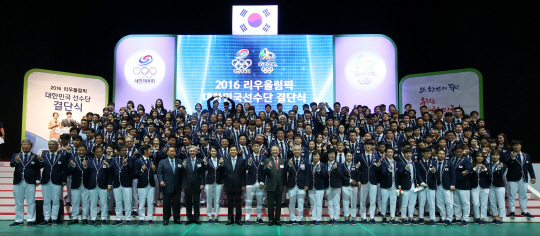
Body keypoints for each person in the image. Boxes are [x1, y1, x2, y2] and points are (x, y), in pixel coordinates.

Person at [9, 139, 42, 227]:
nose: (26, 146)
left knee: (31, 201)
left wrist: (38, 179)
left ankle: (30, 219)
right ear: (21, 146)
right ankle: (19, 219)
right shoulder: (16, 155)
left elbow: (37, 169)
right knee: (18, 202)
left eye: (28, 144)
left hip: (30, 181)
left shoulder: (35, 156)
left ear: (31, 146)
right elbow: (12, 164)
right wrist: (16, 161)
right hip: (18, 181)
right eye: (24, 144)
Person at [39, 138, 68, 226]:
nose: (51, 146)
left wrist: (64, 180)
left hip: (57, 180)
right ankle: (46, 218)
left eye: (53, 144)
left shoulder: (62, 156)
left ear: (57, 145)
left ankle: (54, 218)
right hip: (45, 180)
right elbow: (40, 166)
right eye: (49, 144)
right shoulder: (44, 155)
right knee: (46, 201)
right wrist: (40, 161)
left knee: (56, 200)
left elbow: (65, 169)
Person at [505, 140, 536, 218]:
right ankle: (512, 211)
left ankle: (524, 211)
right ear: (512, 147)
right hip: (512, 178)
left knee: (523, 195)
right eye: (515, 145)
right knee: (512, 195)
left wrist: (533, 176)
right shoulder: (509, 155)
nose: (517, 146)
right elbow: (507, 165)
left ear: (521, 146)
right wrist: (512, 158)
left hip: (524, 178)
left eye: (518, 145)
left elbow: (530, 167)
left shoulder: (526, 155)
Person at [84, 145, 112, 226]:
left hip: (103, 185)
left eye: (100, 152)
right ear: (94, 152)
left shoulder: (107, 161)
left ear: (102, 152)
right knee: (93, 203)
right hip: (92, 185)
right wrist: (85, 167)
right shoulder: (90, 162)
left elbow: (110, 174)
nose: (99, 153)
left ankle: (104, 218)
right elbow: (87, 174)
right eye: (97, 152)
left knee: (103, 203)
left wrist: (109, 184)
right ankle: (93, 219)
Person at [355, 140, 380, 224]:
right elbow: (357, 169)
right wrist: (358, 180)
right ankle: (364, 217)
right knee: (363, 200)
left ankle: (372, 217)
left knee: (373, 201)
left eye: (370, 145)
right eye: (367, 145)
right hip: (363, 180)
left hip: (373, 181)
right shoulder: (360, 156)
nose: (369, 146)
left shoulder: (376, 156)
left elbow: (377, 170)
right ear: (364, 146)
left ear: (372, 146)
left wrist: (378, 167)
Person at [181, 146, 207, 225]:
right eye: (190, 151)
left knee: (196, 202)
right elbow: (182, 173)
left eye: (193, 151)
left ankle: (196, 218)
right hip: (187, 184)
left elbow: (202, 174)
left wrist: (202, 183)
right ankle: (189, 218)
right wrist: (183, 167)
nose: (192, 152)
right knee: (188, 202)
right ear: (189, 152)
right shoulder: (184, 161)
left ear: (196, 152)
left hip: (197, 184)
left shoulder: (201, 161)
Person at [158, 147, 183, 225]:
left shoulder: (180, 161)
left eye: (173, 151)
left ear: (175, 152)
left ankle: (177, 218)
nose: (172, 153)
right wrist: (161, 181)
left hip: (177, 186)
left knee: (176, 203)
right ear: (167, 152)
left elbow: (182, 173)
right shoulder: (162, 162)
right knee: (166, 203)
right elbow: (159, 173)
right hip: (166, 185)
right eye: (170, 151)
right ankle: (166, 219)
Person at [397, 148, 423, 225]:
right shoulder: (401, 163)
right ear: (404, 154)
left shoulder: (414, 163)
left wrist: (417, 183)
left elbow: (416, 175)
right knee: (404, 203)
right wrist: (405, 169)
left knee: (412, 203)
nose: (409, 155)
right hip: (405, 185)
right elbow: (400, 174)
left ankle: (411, 218)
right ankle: (404, 218)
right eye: (407, 153)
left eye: (410, 153)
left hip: (413, 185)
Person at [285, 145, 309, 226]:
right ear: (292, 151)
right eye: (295, 150)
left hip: (302, 185)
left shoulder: (305, 161)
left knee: (301, 202)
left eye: (298, 150)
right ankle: (292, 218)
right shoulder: (289, 160)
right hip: (291, 185)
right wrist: (289, 165)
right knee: (291, 202)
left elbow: (307, 174)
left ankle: (299, 218)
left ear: (301, 151)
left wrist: (306, 184)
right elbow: (285, 171)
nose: (297, 151)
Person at [222, 146, 246, 225]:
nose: (232, 151)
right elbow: (223, 174)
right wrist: (224, 184)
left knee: (238, 203)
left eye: (234, 150)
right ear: (229, 152)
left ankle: (238, 219)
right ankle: (230, 218)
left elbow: (243, 174)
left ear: (237, 151)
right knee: (230, 203)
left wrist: (243, 184)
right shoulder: (225, 161)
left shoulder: (241, 160)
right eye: (231, 150)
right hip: (229, 185)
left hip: (238, 184)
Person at [110, 145, 133, 226]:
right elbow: (111, 172)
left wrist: (126, 164)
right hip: (116, 183)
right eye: (123, 150)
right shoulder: (114, 159)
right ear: (118, 151)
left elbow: (132, 170)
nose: (125, 152)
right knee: (118, 202)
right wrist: (110, 183)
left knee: (127, 202)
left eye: (125, 150)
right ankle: (118, 218)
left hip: (127, 184)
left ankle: (127, 219)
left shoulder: (130, 159)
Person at [134, 145, 157, 226]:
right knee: (142, 202)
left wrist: (154, 169)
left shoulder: (152, 160)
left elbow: (155, 172)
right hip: (142, 184)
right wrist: (141, 170)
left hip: (151, 184)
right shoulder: (138, 161)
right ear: (145, 151)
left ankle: (150, 218)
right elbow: (135, 174)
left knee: (150, 202)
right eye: (150, 149)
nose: (151, 151)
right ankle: (141, 218)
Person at [67, 145, 90, 225]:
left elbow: (92, 171)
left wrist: (86, 167)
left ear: (86, 151)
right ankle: (75, 217)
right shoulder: (72, 159)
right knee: (75, 201)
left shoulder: (90, 159)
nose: (81, 152)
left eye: (83, 150)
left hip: (86, 183)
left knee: (86, 201)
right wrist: (72, 167)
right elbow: (68, 172)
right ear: (77, 151)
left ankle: (85, 217)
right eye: (79, 150)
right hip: (76, 183)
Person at [264, 145, 287, 226]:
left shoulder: (283, 161)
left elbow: (284, 174)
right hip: (271, 186)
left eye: (276, 150)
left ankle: (277, 219)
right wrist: (268, 167)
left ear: (279, 151)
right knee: (270, 204)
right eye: (273, 150)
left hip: (280, 186)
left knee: (278, 205)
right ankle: (271, 219)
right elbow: (264, 171)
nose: (275, 152)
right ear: (271, 151)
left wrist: (284, 184)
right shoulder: (267, 160)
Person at [244, 142, 266, 226]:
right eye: (255, 146)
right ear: (252, 147)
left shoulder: (264, 157)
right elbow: (245, 167)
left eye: (258, 146)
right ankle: (247, 218)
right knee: (248, 201)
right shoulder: (248, 156)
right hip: (250, 182)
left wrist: (262, 181)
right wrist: (249, 163)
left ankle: (259, 218)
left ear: (260, 147)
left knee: (260, 202)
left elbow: (264, 171)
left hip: (260, 183)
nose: (256, 147)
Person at [416, 148, 437, 226]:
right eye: (427, 153)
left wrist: (434, 171)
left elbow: (436, 174)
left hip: (431, 185)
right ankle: (421, 218)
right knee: (421, 202)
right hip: (422, 186)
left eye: (430, 153)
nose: (428, 155)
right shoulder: (418, 163)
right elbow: (417, 174)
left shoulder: (433, 162)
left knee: (431, 203)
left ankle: (432, 219)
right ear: (423, 153)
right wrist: (421, 183)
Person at [434, 148, 456, 226]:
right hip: (438, 186)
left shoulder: (449, 163)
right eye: (440, 154)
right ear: (437, 155)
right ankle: (443, 217)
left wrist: (453, 185)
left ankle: (449, 218)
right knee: (440, 203)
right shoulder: (434, 163)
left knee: (449, 203)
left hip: (447, 186)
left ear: (445, 155)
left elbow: (453, 175)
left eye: (443, 154)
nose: (441, 155)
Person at [451, 145, 472, 226]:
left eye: (460, 152)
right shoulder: (452, 159)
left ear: (463, 152)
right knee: (456, 203)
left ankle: (465, 219)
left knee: (465, 203)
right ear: (454, 152)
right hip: (454, 185)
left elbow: (469, 169)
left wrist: (466, 172)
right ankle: (458, 218)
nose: (459, 153)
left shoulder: (466, 160)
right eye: (457, 152)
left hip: (464, 185)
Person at [469, 151, 490, 225]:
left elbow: (490, 176)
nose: (479, 158)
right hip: (474, 186)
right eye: (478, 156)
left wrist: (485, 169)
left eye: (481, 156)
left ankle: (482, 218)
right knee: (475, 203)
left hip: (484, 186)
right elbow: (469, 175)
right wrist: (474, 169)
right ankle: (477, 217)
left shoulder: (487, 166)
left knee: (483, 203)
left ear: (483, 158)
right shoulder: (472, 165)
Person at [205, 146, 224, 224]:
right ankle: (209, 216)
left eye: (214, 151)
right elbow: (204, 170)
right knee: (209, 200)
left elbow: (223, 172)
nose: (213, 153)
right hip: (209, 182)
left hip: (218, 182)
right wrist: (205, 164)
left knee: (217, 200)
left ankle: (216, 216)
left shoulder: (221, 160)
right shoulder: (207, 160)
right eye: (212, 151)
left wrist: (222, 164)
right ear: (210, 152)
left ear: (217, 152)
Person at [380, 147, 398, 225]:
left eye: (391, 152)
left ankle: (392, 217)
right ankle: (384, 216)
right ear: (386, 153)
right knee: (384, 201)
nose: (390, 153)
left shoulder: (395, 162)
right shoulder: (383, 162)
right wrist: (389, 170)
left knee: (393, 202)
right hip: (385, 184)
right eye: (389, 152)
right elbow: (383, 173)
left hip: (394, 184)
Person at [325, 148, 343, 226]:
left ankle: (336, 218)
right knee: (330, 203)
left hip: (336, 186)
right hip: (328, 186)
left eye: (332, 154)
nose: (331, 155)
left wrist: (335, 169)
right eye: (330, 154)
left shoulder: (338, 164)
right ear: (328, 155)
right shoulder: (325, 164)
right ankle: (331, 218)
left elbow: (340, 174)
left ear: (335, 155)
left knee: (336, 203)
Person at [341, 152, 360, 225]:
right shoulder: (342, 165)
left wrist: (357, 168)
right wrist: (350, 180)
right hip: (345, 185)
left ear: (352, 157)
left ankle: (353, 217)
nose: (349, 157)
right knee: (345, 202)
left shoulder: (356, 165)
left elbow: (358, 175)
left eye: (350, 156)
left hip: (354, 186)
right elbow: (341, 176)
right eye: (347, 156)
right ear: (345, 157)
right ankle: (346, 217)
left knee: (354, 202)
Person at [307, 150, 326, 226]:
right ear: (312, 157)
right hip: (311, 187)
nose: (315, 157)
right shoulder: (309, 165)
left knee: (318, 203)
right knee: (312, 203)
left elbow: (324, 175)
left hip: (320, 187)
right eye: (314, 156)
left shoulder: (323, 165)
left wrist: (319, 171)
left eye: (317, 156)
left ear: (319, 157)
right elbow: (308, 176)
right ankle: (313, 218)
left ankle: (318, 219)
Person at [488, 150, 506, 226]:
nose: (495, 156)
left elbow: (501, 174)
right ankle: (495, 217)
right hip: (490, 186)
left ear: (499, 156)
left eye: (497, 155)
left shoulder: (503, 165)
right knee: (492, 203)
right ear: (491, 156)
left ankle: (501, 218)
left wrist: (499, 169)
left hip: (499, 186)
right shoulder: (488, 165)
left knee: (501, 202)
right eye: (493, 155)